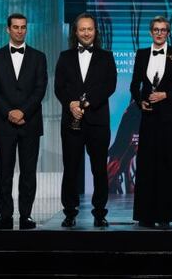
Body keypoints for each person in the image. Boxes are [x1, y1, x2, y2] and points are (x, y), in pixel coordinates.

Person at [55, 13, 117, 228]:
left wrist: (89, 102)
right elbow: (59, 87)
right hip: (71, 120)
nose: (86, 33)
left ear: (95, 31)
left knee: (99, 168)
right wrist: (71, 104)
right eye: (82, 29)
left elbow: (110, 85)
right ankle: (69, 212)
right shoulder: (64, 57)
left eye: (90, 29)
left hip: (97, 121)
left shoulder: (106, 56)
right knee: (70, 167)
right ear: (76, 32)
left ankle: (100, 212)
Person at [0, 13, 48, 230]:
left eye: (23, 27)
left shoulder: (39, 57)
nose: (20, 31)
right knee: (4, 171)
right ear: (8, 29)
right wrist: (9, 113)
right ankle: (5, 216)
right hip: (4, 124)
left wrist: (23, 112)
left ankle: (26, 215)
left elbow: (40, 89)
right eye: (16, 27)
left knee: (28, 172)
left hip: (30, 122)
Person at [130, 15, 172, 228]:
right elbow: (134, 86)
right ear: (150, 32)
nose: (159, 33)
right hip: (148, 119)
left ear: (168, 32)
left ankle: (165, 215)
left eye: (163, 30)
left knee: (168, 165)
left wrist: (166, 95)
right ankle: (146, 215)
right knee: (147, 166)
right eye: (156, 29)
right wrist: (140, 102)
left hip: (171, 119)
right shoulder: (141, 54)